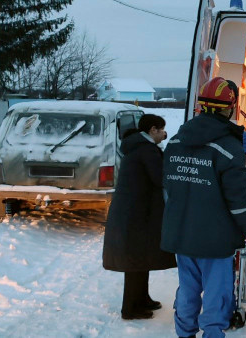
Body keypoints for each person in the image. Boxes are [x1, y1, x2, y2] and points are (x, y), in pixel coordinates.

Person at [160, 77, 246, 338]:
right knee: (217, 292)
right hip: (215, 239)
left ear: (202, 106)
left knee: (188, 288)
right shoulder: (228, 147)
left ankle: (184, 333)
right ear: (231, 108)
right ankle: (213, 333)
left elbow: (169, 187)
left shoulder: (174, 142)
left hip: (181, 233)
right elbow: (237, 201)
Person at [102, 114, 177, 320]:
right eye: (161, 130)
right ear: (152, 130)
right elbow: (160, 178)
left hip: (135, 213)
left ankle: (142, 298)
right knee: (135, 261)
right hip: (136, 215)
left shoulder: (138, 148)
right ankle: (130, 308)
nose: (164, 134)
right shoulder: (147, 151)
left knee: (141, 259)